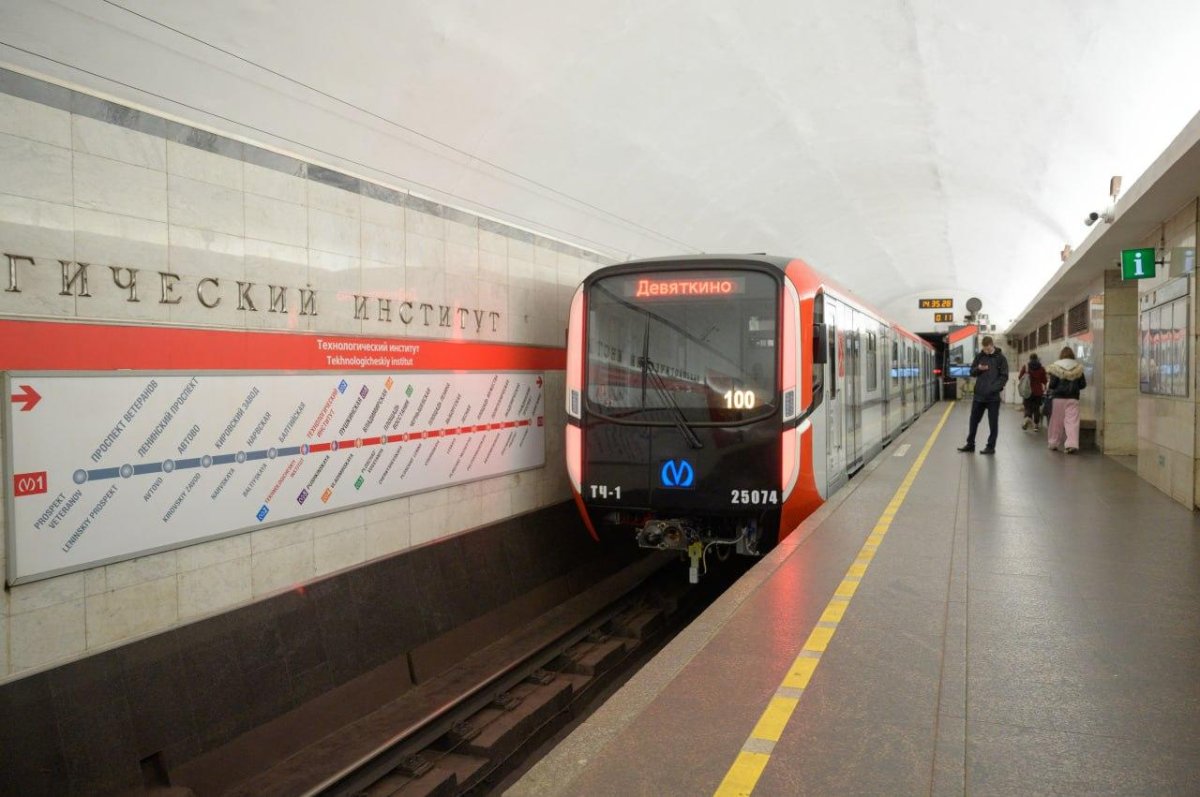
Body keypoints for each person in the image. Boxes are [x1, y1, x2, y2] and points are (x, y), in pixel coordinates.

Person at [957, 336, 1009, 455]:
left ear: (992, 345)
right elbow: (972, 372)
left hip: (993, 398)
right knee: (973, 421)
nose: (986, 351)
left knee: (993, 423)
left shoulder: (1001, 358)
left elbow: (1004, 376)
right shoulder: (980, 357)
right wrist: (979, 368)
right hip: (979, 396)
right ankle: (970, 444)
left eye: (988, 348)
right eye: (984, 349)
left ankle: (990, 447)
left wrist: (993, 388)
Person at [1046, 346, 1087, 453]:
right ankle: (1071, 444)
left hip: (1058, 399)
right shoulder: (1078, 368)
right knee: (1072, 421)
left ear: (1061, 355)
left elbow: (1052, 384)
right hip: (1073, 398)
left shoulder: (1056, 367)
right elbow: (1083, 384)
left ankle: (1053, 443)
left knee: (1056, 421)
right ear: (1072, 355)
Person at [1018, 353, 1048, 431]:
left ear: (1030, 359)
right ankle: (1036, 426)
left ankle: (1027, 419)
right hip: (1038, 392)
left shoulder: (1026, 367)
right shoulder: (1041, 368)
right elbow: (1044, 381)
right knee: (1036, 408)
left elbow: (1020, 377)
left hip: (1027, 391)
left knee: (1027, 407)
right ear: (1037, 359)